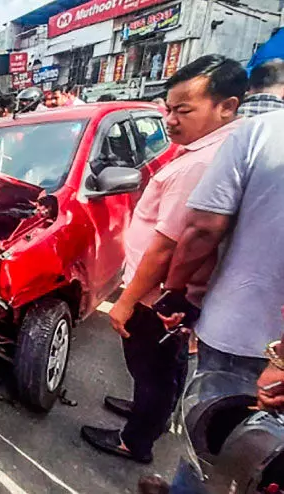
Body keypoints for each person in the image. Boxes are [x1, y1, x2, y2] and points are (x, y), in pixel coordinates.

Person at [81, 55, 248, 464]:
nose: (170, 120)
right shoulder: (206, 150)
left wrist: (125, 301)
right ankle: (148, 414)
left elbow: (167, 245)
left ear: (226, 106)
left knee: (152, 369)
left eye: (183, 110)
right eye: (168, 109)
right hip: (169, 294)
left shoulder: (202, 162)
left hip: (156, 295)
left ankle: (134, 441)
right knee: (160, 369)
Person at [155, 109, 284, 492]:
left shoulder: (263, 131)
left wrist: (175, 292)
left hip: (243, 336)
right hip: (250, 334)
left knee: (214, 447)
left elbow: (203, 229)